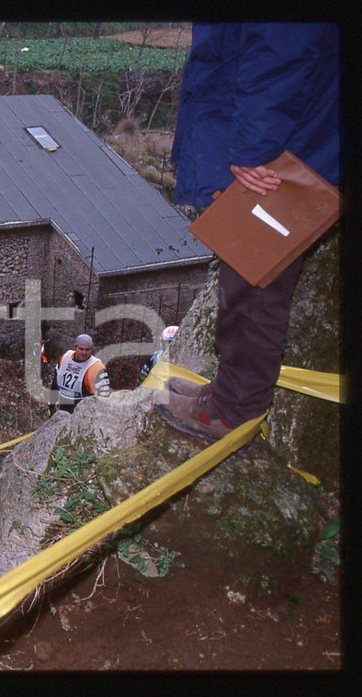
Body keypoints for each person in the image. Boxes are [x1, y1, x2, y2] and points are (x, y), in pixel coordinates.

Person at [155, 23, 340, 442]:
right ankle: (227, 393)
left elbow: (284, 46)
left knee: (253, 280)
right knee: (249, 272)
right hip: (296, 135)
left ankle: (232, 409)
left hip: (283, 151)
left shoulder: (266, 150)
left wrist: (253, 148)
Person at [50, 334, 110, 414]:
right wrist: (51, 406)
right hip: (61, 407)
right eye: (81, 349)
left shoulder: (96, 367)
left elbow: (104, 396)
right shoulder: (65, 358)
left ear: (91, 349)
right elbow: (54, 385)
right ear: (75, 347)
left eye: (87, 349)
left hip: (81, 411)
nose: (84, 352)